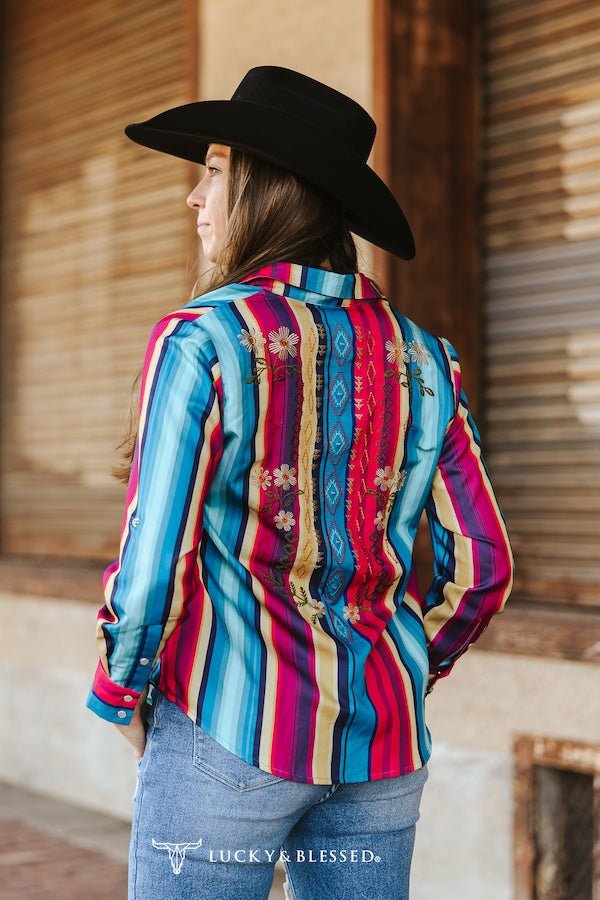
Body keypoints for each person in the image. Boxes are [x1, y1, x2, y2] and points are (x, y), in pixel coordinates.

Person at [85, 65, 514, 900]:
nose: (194, 198)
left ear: (264, 188)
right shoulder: (426, 358)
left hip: (227, 734)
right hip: (381, 746)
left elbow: (153, 561)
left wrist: (120, 688)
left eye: (212, 170)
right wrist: (401, 669)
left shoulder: (202, 338)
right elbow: (483, 568)